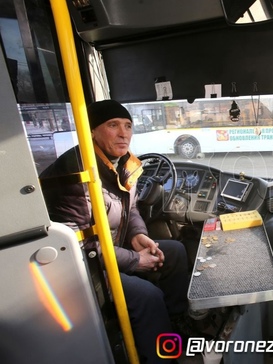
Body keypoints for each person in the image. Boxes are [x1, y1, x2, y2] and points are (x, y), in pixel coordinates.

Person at [39, 100, 190, 364]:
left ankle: (175, 323)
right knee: (147, 296)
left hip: (114, 249)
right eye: (113, 125)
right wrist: (135, 260)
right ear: (92, 131)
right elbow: (81, 246)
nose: (124, 133)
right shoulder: (76, 174)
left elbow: (130, 210)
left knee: (175, 251)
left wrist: (138, 236)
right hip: (85, 268)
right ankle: (161, 358)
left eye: (128, 126)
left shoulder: (123, 164)